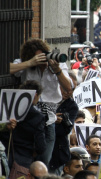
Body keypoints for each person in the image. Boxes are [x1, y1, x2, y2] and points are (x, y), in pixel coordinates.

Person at [10, 39, 73, 167]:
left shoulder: (57, 65)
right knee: (27, 155)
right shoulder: (26, 63)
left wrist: (57, 71)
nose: (42, 59)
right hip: (29, 115)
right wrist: (29, 63)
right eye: (38, 57)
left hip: (49, 116)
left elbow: (68, 87)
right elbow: (9, 69)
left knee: (44, 156)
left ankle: (41, 171)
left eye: (43, 55)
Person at [1, 80, 46, 170]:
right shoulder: (37, 117)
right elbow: (41, 147)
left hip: (3, 157)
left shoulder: (6, 109)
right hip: (23, 162)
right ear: (35, 96)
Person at [49, 85, 78, 175]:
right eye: (65, 88)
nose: (68, 92)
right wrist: (50, 119)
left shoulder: (72, 106)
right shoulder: (46, 98)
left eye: (71, 89)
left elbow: (65, 130)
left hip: (57, 154)